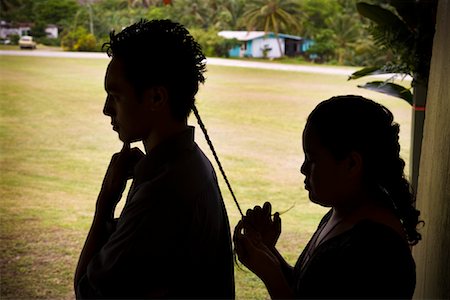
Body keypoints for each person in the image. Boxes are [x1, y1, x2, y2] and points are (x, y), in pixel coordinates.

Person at [74, 19, 235, 299]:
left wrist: (105, 204)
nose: (106, 109)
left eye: (115, 95)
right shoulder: (189, 162)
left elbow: (87, 290)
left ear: (157, 98)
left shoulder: (164, 191)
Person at [234, 95, 422, 299]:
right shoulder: (341, 213)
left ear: (351, 164)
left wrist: (271, 275)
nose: (303, 168)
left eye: (312, 159)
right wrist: (269, 251)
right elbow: (308, 288)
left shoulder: (377, 250)